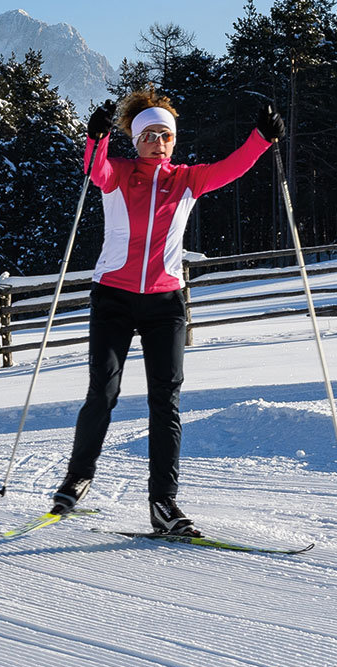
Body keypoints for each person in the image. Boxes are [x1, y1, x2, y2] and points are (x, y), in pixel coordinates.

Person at [49, 92, 284, 535]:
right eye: (150, 136)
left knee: (166, 402)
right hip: (113, 297)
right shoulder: (118, 174)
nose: (159, 143)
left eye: (166, 136)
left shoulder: (188, 179)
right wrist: (95, 138)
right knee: (103, 391)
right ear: (136, 141)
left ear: (175, 141)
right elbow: (94, 169)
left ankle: (163, 503)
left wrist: (261, 140)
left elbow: (232, 168)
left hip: (165, 302)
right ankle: (77, 478)